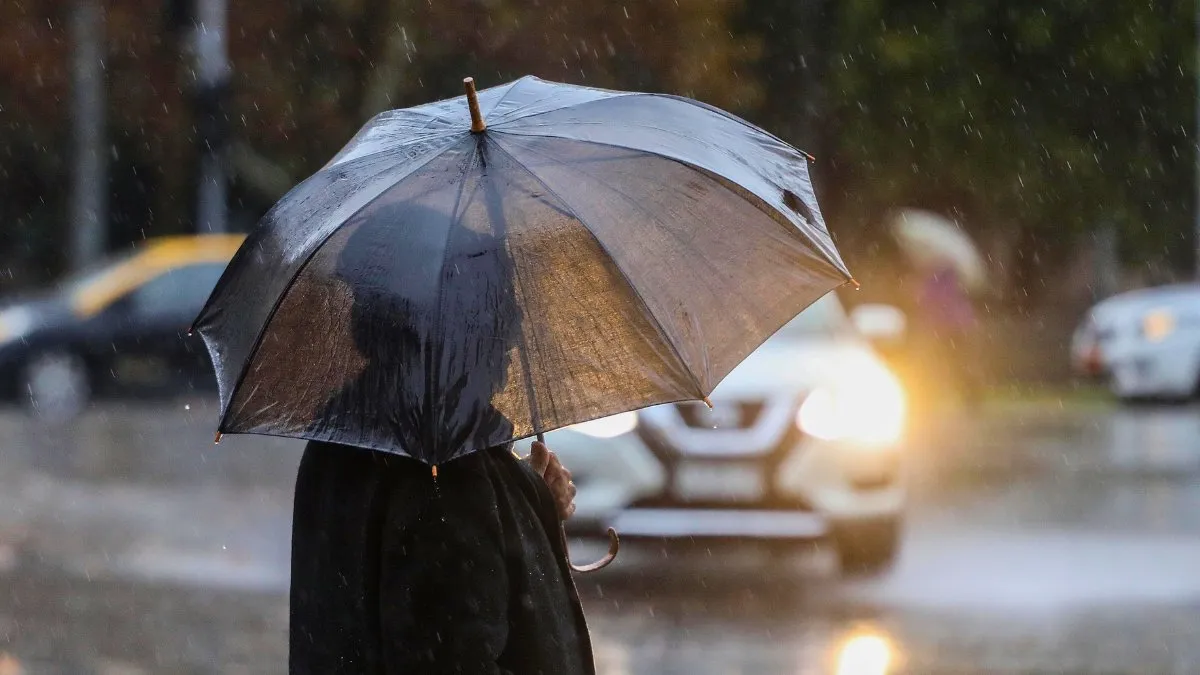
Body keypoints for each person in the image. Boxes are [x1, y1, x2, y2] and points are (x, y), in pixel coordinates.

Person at [288, 201, 595, 673]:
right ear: (451, 330)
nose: (511, 333)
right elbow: (453, 654)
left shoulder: (341, 440)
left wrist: (528, 498)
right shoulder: (443, 468)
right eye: (493, 307)